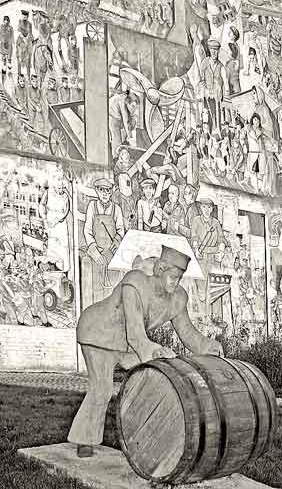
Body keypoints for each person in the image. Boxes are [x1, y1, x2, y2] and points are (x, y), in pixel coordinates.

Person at [67, 245, 223, 457]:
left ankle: (145, 437)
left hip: (127, 344)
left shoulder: (177, 298)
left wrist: (207, 346)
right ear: (159, 269)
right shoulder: (135, 283)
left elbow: (186, 331)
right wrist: (154, 350)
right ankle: (84, 440)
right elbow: (135, 333)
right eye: (172, 277)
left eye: (179, 278)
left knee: (149, 384)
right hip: (99, 333)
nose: (175, 283)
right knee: (101, 389)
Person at [84, 177, 125, 302]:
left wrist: (117, 242)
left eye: (107, 191)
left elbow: (121, 230)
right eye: (102, 190)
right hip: (97, 251)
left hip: (112, 251)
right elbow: (87, 231)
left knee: (116, 280)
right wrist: (93, 249)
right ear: (97, 191)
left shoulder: (116, 209)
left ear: (111, 192)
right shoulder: (92, 206)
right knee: (95, 281)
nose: (105, 194)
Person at [200, 39, 228, 133]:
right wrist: (204, 87)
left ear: (218, 51)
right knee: (206, 116)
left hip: (217, 97)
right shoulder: (205, 62)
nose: (214, 52)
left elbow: (225, 81)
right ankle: (207, 134)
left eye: (216, 49)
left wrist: (222, 90)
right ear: (209, 49)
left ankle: (217, 133)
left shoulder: (221, 66)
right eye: (212, 49)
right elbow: (201, 79)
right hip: (207, 95)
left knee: (217, 116)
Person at [108, 90, 138, 158]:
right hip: (112, 117)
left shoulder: (127, 99)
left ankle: (125, 144)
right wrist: (130, 137)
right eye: (132, 106)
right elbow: (125, 120)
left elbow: (131, 119)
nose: (134, 109)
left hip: (118, 117)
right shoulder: (122, 101)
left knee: (132, 122)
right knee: (117, 138)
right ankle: (116, 157)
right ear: (128, 103)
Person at [16, 10, 33, 76]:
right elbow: (19, 31)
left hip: (28, 38)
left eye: (25, 16)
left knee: (30, 47)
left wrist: (27, 38)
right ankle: (20, 57)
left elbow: (30, 32)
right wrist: (23, 38)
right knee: (18, 45)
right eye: (23, 16)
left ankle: (29, 62)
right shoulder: (20, 22)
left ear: (27, 17)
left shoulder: (29, 24)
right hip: (21, 38)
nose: (24, 17)